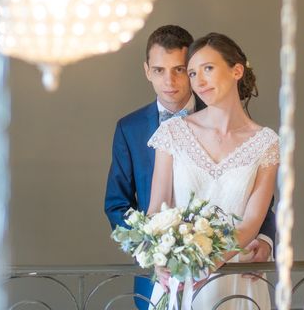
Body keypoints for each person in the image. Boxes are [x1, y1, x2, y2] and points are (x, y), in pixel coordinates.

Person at [104, 26, 276, 310]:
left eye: (184, 70)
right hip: (173, 272)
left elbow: (258, 206)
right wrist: (155, 253)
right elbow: (127, 205)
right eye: (159, 70)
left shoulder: (262, 141)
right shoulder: (142, 130)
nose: (170, 81)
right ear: (147, 71)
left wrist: (264, 241)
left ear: (236, 71)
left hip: (237, 273)